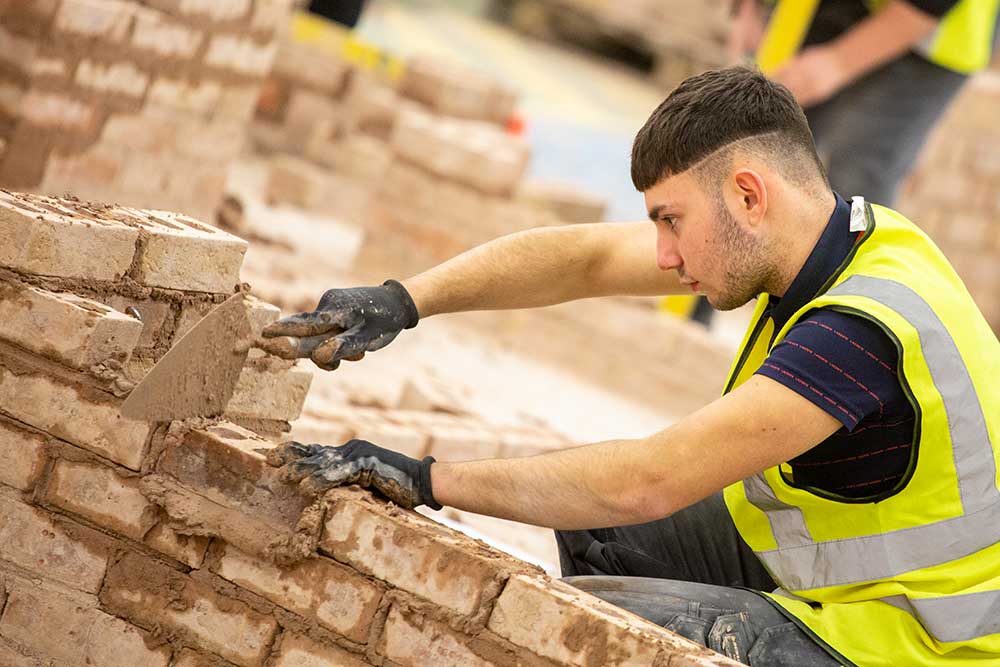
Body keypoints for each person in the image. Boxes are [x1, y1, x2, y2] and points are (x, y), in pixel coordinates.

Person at [261, 68, 1000, 666]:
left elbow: (648, 480)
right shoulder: (837, 233)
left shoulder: (859, 331)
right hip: (842, 567)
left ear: (748, 194)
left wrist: (425, 480)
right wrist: (402, 301)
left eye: (671, 220)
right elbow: (582, 258)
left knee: (586, 631)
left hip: (916, 638)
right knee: (595, 539)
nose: (665, 255)